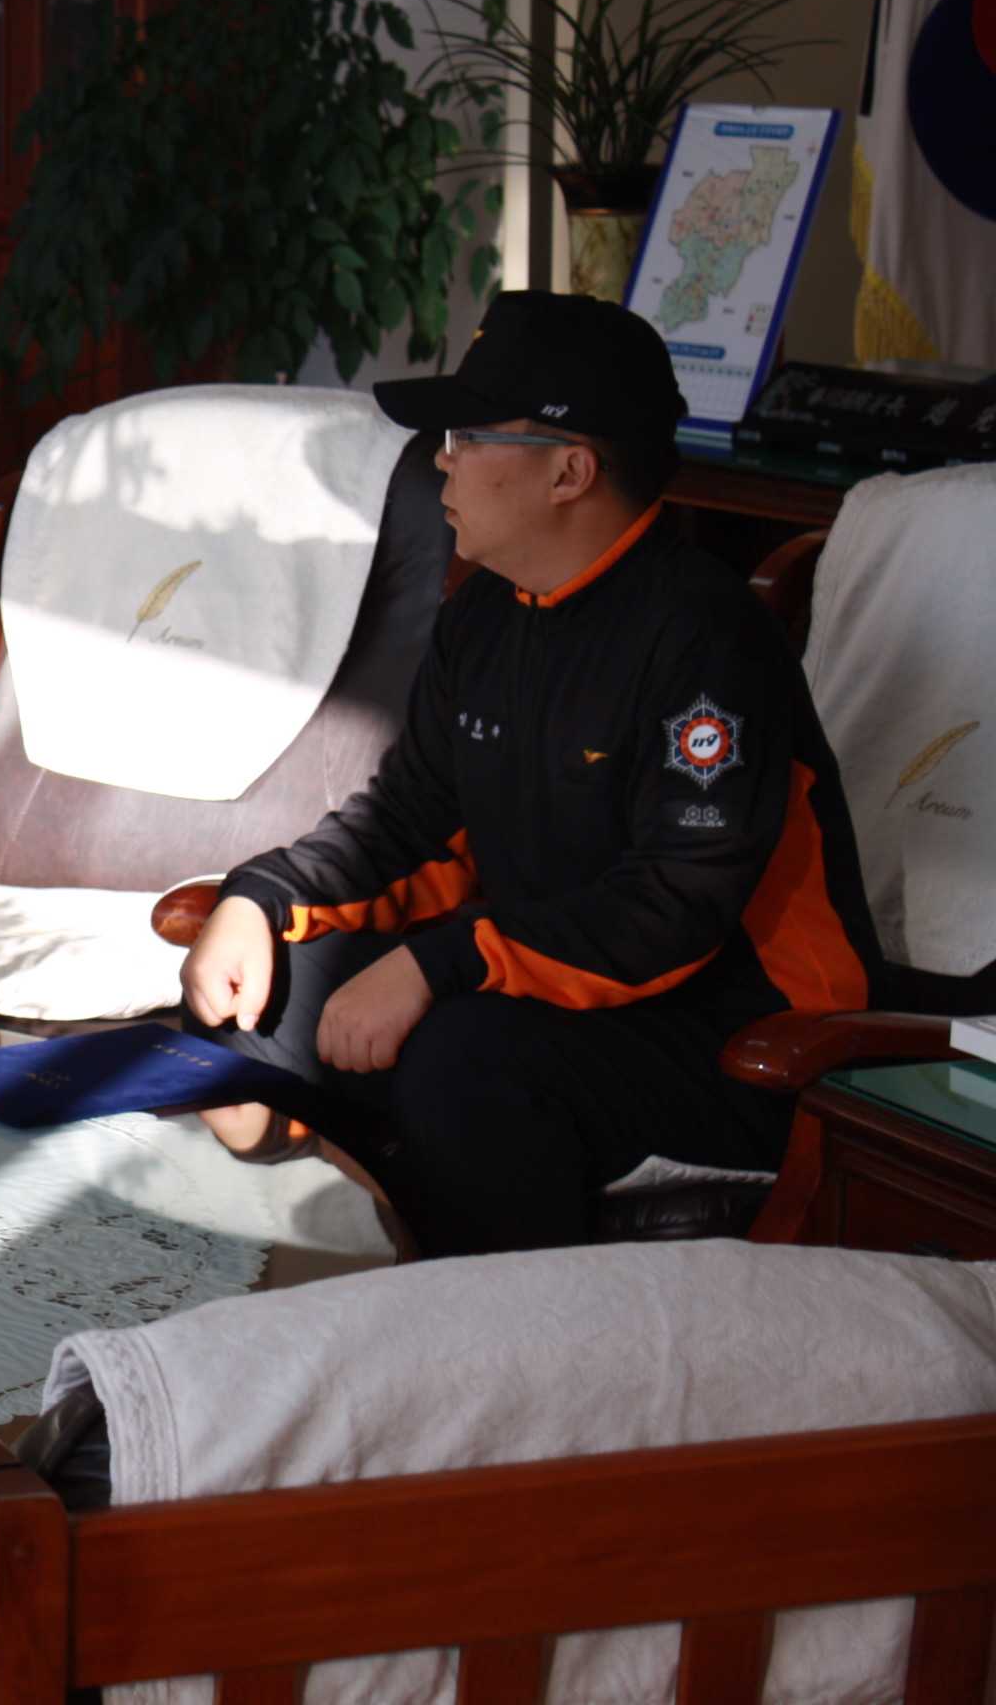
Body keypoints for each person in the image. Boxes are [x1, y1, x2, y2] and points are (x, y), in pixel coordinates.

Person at [177, 291, 883, 1257]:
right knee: (251, 995)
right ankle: (278, 1279)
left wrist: (442, 963)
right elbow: (412, 823)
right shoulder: (486, 614)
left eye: (468, 436)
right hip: (548, 986)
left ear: (570, 471)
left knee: (463, 1059)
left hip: (745, 1042)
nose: (441, 459)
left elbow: (675, 905)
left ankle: (494, 1334)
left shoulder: (708, 638)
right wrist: (261, 898)